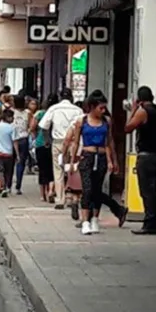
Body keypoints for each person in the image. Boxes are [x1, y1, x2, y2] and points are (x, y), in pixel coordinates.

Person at [68, 91, 117, 235]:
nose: (103, 111)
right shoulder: (81, 121)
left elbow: (108, 142)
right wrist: (72, 161)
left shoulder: (106, 121)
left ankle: (95, 218)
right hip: (87, 156)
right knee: (87, 189)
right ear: (92, 107)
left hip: (101, 156)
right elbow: (76, 142)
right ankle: (85, 221)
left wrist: (111, 160)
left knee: (97, 189)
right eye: (100, 108)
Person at [125, 86, 156, 235]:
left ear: (139, 100)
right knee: (153, 190)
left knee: (146, 191)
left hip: (146, 156)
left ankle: (150, 224)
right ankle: (152, 221)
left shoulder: (143, 112)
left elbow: (128, 128)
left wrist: (134, 110)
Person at [38, 88, 83, 210]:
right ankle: (71, 197)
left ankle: (60, 200)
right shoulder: (78, 110)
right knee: (72, 169)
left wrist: (47, 140)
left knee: (58, 171)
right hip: (74, 142)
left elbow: (43, 125)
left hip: (58, 143)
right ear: (71, 97)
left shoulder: (54, 109)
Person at [31, 95, 58, 202]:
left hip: (41, 143)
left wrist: (35, 137)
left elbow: (32, 127)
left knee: (42, 169)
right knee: (52, 169)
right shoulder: (57, 113)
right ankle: (51, 190)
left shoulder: (40, 114)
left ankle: (43, 195)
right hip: (54, 143)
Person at [0, 109, 16, 198]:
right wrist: (17, 153)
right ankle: (6, 186)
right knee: (8, 171)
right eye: (11, 117)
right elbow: (14, 142)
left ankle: (2, 186)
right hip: (9, 153)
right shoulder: (11, 128)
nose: (13, 119)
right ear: (8, 118)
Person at [11, 94, 32, 194]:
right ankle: (18, 186)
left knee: (10, 162)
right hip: (23, 139)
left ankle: (8, 184)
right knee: (21, 163)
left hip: (11, 138)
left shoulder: (11, 112)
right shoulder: (28, 113)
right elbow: (31, 126)